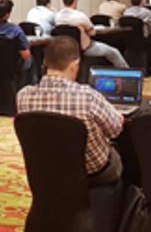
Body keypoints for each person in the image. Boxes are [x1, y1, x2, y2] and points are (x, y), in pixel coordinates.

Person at [16, 36, 123, 185]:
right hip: (92, 173)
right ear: (75, 66)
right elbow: (115, 130)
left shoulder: (23, 96)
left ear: (45, 64)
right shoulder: (88, 96)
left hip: (45, 168)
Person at [55, 0, 130, 69]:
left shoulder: (57, 16)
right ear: (75, 1)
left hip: (67, 49)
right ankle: (127, 73)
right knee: (114, 52)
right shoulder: (80, 16)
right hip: (85, 49)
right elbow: (92, 33)